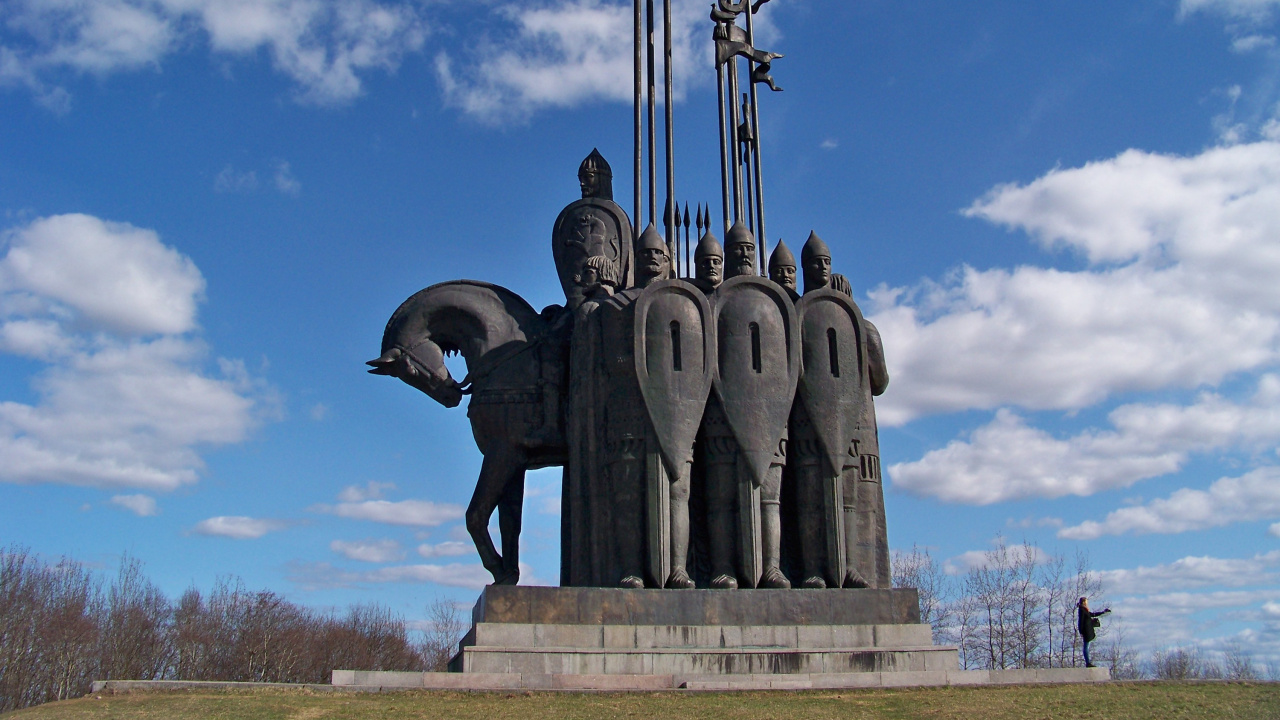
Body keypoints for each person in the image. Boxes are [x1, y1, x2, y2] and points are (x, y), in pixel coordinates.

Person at [1077, 596, 1111, 667]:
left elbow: (1092, 614)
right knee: (1086, 646)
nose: (1087, 603)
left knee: (1087, 645)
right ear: (1084, 602)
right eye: (1086, 601)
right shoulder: (1082, 610)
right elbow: (1081, 621)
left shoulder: (1084, 609)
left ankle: (1088, 662)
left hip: (1087, 630)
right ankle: (1088, 662)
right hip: (1086, 631)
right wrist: (1081, 631)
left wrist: (1103, 612)